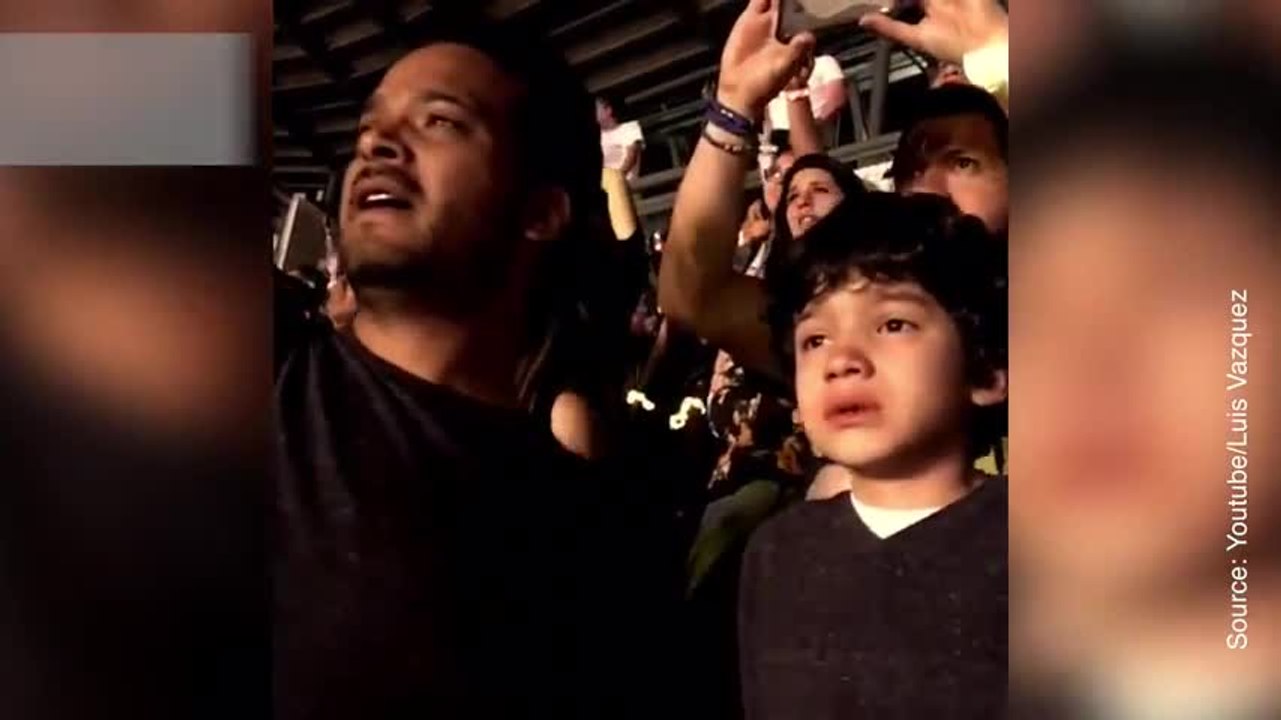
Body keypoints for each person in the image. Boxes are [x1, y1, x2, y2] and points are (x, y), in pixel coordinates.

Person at [273, 11, 674, 718]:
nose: (377, 144)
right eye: (369, 126)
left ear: (541, 211)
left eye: (439, 122)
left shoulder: (587, 543)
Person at [739, 192, 1008, 719]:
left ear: (987, 370)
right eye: (814, 339)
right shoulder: (776, 555)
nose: (841, 360)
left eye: (892, 324)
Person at [597, 96, 645, 181]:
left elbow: (631, 157)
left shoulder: (630, 128)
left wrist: (615, 179)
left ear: (608, 110)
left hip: (626, 184)